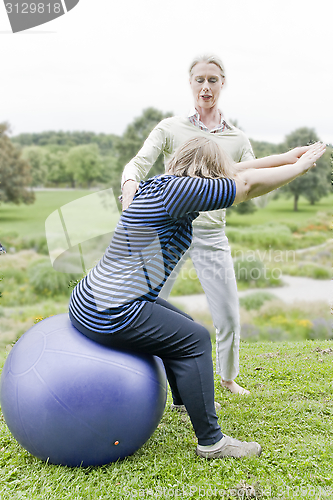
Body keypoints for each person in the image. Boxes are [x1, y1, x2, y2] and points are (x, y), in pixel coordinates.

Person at [69, 137, 325, 459]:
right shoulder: (183, 192)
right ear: (209, 174)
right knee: (196, 340)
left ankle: (184, 400)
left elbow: (238, 170)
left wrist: (286, 157)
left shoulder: (160, 185)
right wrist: (298, 169)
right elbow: (244, 184)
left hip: (90, 299)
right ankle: (212, 443)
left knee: (184, 325)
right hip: (111, 311)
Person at [120, 54, 279, 395]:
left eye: (213, 80)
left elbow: (254, 178)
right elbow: (138, 163)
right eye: (199, 80)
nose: (206, 87)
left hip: (211, 235)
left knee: (228, 316)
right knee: (144, 309)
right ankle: (139, 376)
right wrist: (129, 185)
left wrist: (292, 164)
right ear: (190, 83)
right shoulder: (170, 128)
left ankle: (228, 378)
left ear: (223, 84)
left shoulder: (237, 139)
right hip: (167, 235)